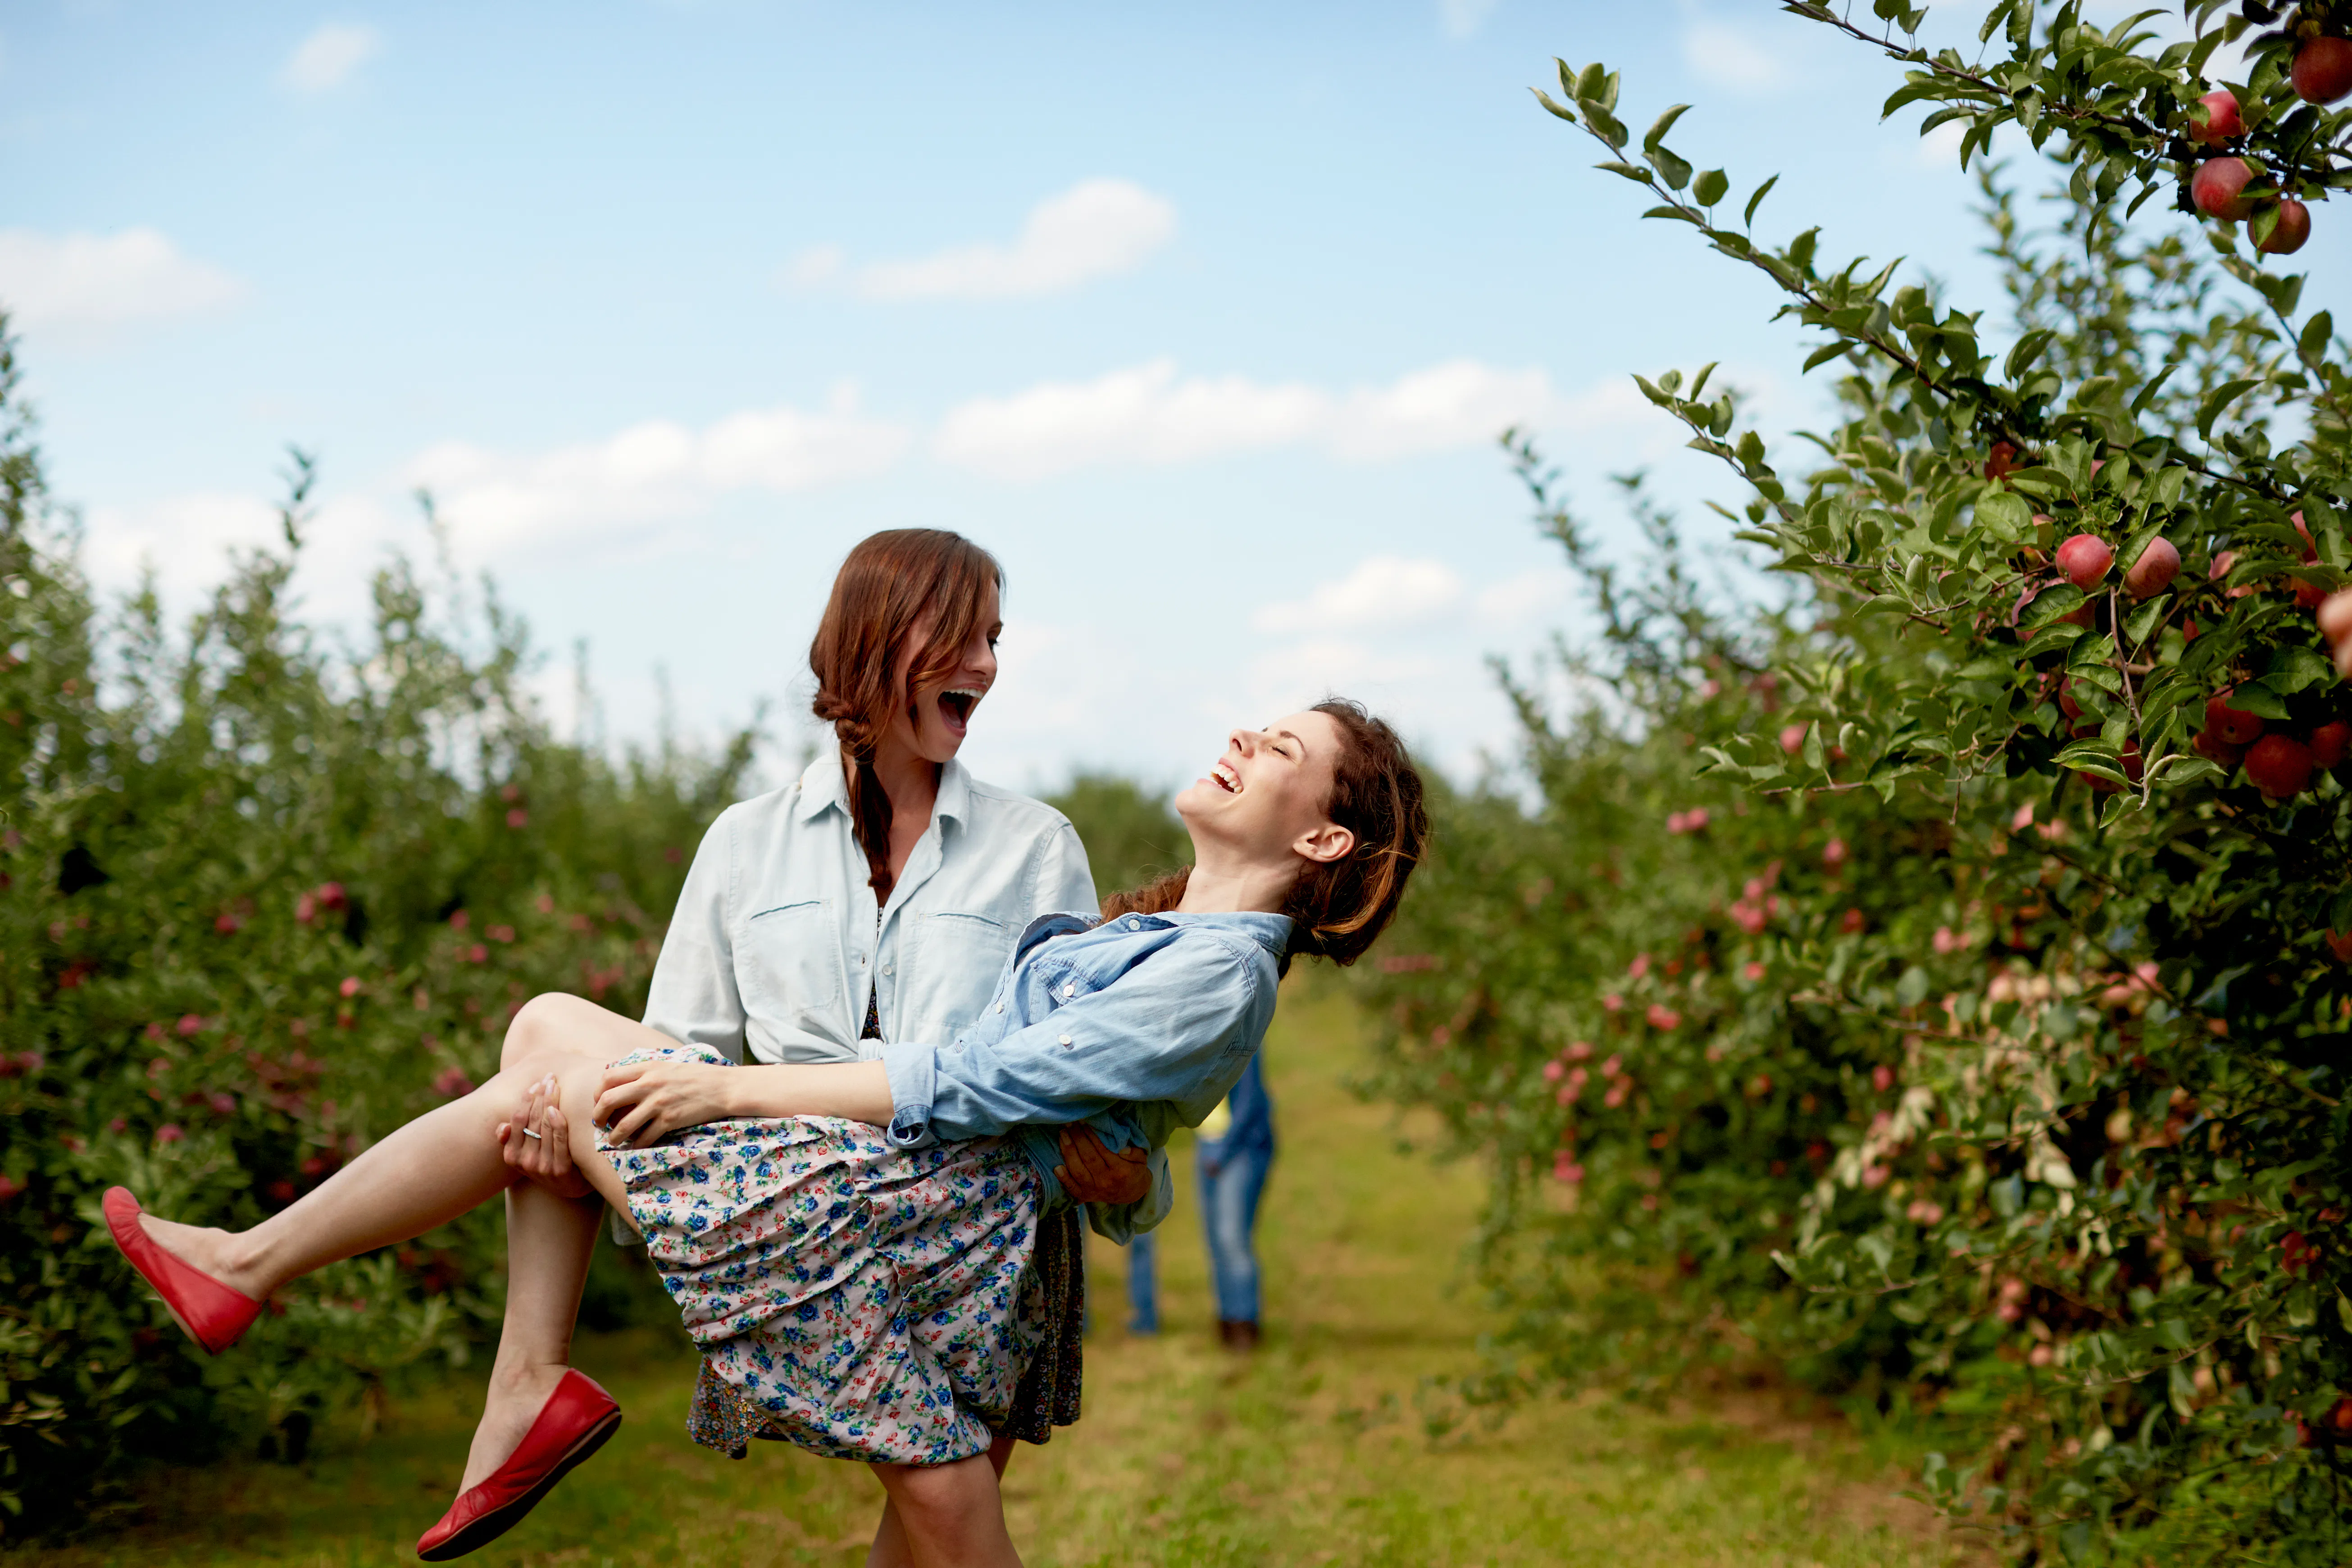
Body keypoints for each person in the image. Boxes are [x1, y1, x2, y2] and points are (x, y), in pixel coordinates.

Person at [105, 701, 1428, 1568]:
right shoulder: (1168, 936)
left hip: (924, 1219)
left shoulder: (1220, 965)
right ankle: (474, 1367)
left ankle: (350, 1311)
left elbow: (982, 1078)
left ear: (1318, 829)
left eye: (1282, 745)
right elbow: (1098, 1130)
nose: (1244, 735)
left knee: (555, 1075)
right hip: (931, 1203)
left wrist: (731, 1092)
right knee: (548, 1036)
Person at [524, 528, 1154, 1563]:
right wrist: (581, 1130)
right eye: (960, 635)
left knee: (925, 1534)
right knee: (944, 1513)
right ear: (868, 641)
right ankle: (320, 1290)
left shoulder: (1037, 849)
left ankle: (485, 1366)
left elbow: (1065, 1070)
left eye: (994, 639)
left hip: (976, 1250)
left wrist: (1126, 1179)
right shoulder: (743, 843)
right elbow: (676, 1057)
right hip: (808, 1217)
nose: (987, 666)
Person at [1123, 1048, 1276, 1350]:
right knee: (1215, 1239)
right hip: (1209, 1146)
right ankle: (1227, 1321)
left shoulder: (1243, 1036)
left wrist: (1223, 1151)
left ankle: (1245, 1324)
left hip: (1238, 1148)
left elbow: (1250, 1103)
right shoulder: (1208, 1038)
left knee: (1232, 1237)